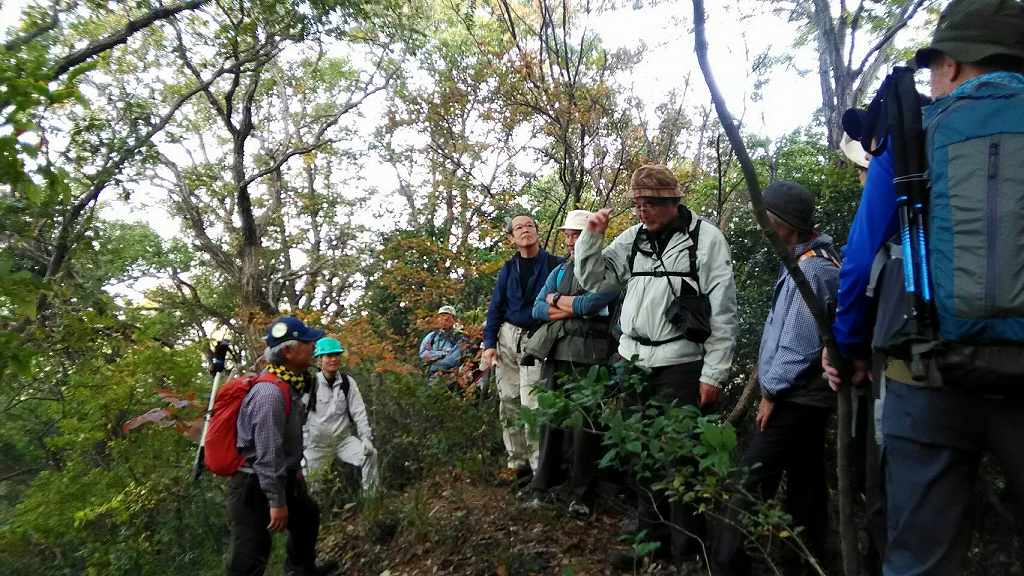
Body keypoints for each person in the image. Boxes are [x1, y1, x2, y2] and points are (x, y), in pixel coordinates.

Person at [823, 2, 1024, 574]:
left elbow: (861, 263)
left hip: (927, 376)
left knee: (920, 559)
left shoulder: (917, 134)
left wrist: (849, 348)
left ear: (954, 63)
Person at [574, 164, 738, 565]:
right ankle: (648, 543)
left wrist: (714, 373)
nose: (642, 211)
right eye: (637, 204)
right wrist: (591, 238)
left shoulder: (705, 240)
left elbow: (723, 311)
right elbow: (596, 281)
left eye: (650, 203)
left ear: (672, 202)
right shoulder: (632, 239)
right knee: (641, 451)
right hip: (633, 360)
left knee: (678, 454)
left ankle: (686, 550)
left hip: (680, 363)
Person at [712, 181, 839, 575]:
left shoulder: (813, 268)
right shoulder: (815, 259)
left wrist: (771, 392)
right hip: (808, 399)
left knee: (750, 478)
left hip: (796, 399)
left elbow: (799, 345)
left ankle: (727, 565)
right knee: (806, 485)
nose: (761, 223)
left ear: (785, 223)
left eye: (766, 217)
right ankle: (806, 562)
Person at [521, 209, 620, 516]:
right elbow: (537, 308)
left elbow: (595, 302)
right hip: (557, 353)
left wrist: (558, 302)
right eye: (567, 235)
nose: (569, 240)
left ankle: (582, 494)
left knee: (585, 427)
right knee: (551, 420)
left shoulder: (607, 268)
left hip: (590, 358)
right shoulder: (560, 270)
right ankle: (543, 486)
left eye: (575, 235)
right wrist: (564, 306)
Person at [227, 316, 330, 576]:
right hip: (255, 483)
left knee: (307, 516)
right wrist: (277, 501)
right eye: (307, 343)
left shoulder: (291, 383)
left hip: (281, 475)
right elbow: (267, 451)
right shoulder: (270, 393)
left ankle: (301, 571)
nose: (313, 347)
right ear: (288, 351)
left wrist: (293, 474)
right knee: (251, 552)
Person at [482, 213, 564, 482]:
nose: (525, 230)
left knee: (533, 402)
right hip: (507, 338)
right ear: (511, 237)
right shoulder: (508, 268)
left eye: (529, 225)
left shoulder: (555, 265)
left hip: (537, 339)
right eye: (519, 227)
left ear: (537, 231)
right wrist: (489, 344)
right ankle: (516, 461)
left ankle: (540, 467)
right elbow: (496, 308)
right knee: (508, 401)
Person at [303, 337, 379, 495]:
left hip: (343, 441)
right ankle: (317, 514)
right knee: (307, 484)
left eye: (336, 355)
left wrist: (366, 438)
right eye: (329, 356)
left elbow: (359, 411)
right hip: (317, 446)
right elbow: (299, 416)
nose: (333, 359)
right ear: (319, 360)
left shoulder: (347, 382)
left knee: (370, 455)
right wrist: (301, 444)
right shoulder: (310, 384)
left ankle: (372, 501)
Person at [418, 305, 467, 386]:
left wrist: (433, 360)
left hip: (450, 378)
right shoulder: (431, 336)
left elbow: (452, 360)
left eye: (448, 317)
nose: (444, 320)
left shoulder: (460, 337)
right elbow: (423, 355)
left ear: (454, 320)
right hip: (429, 377)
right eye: (442, 317)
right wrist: (442, 353)